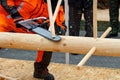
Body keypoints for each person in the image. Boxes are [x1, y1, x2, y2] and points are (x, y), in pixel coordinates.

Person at [0, 0, 66, 80]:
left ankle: (40, 70)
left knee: (48, 39)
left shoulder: (56, 7)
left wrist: (53, 27)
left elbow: (61, 27)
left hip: (31, 27)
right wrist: (14, 14)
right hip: (7, 19)